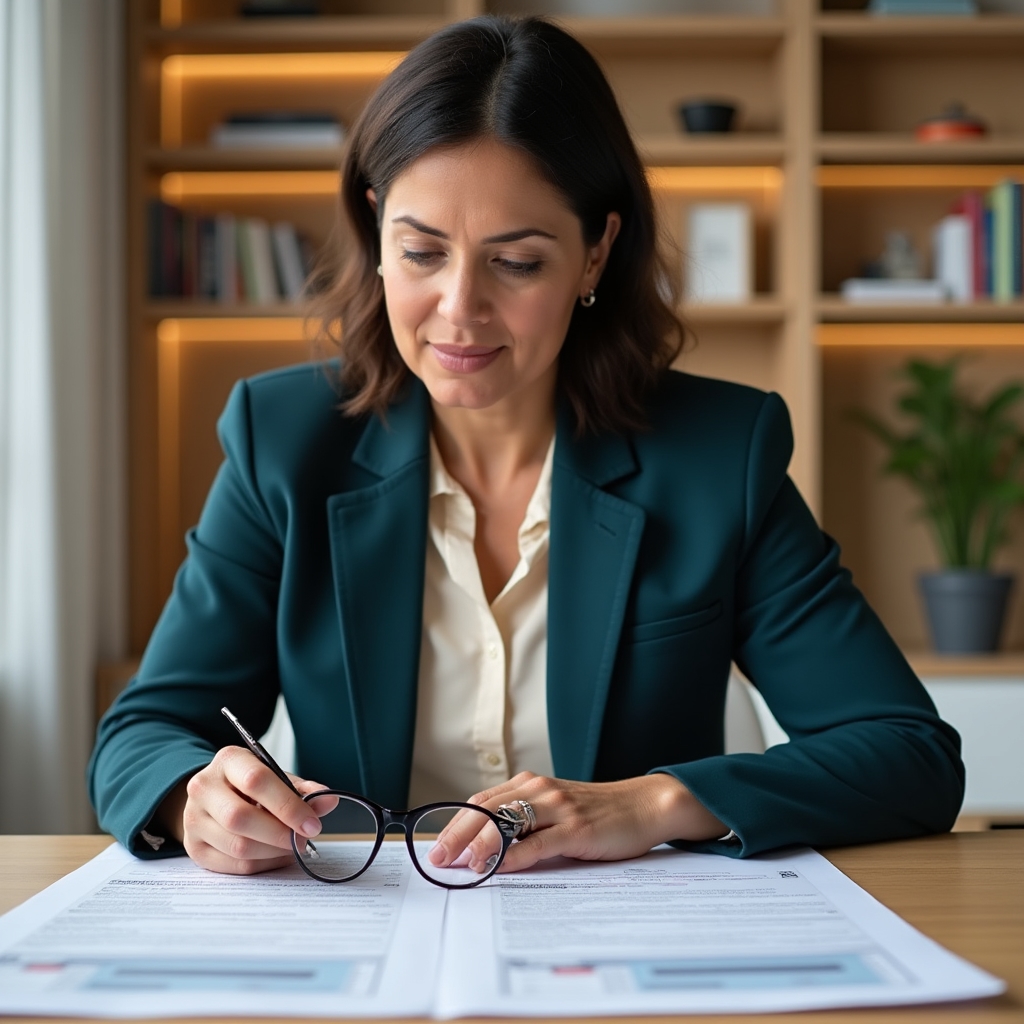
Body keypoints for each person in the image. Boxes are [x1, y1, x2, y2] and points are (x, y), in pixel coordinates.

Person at [89, 15, 964, 877]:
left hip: (624, 955)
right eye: (422, 252)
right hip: (365, 943)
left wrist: (647, 803)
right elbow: (141, 735)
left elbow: (906, 754)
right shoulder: (283, 443)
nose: (460, 309)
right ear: (376, 231)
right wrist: (192, 797)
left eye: (516, 262)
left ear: (595, 255)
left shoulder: (718, 456)